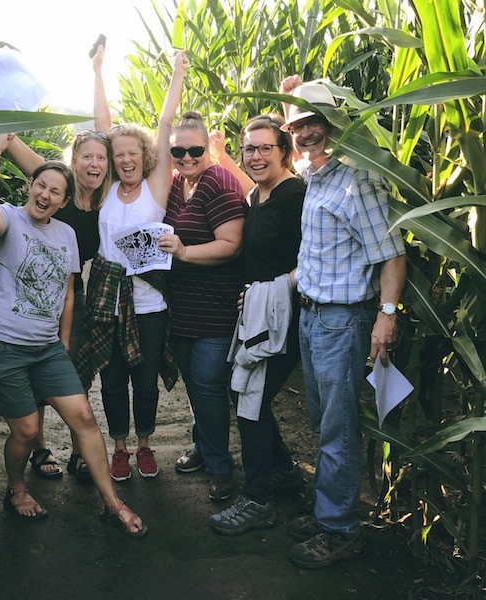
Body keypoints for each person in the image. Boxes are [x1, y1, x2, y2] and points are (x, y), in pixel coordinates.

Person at [0, 134, 146, 538]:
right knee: (27, 431)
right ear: (30, 186)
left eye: (55, 191)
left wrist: (63, 340)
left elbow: (68, 291)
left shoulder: (65, 233)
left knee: (83, 415)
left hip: (46, 347)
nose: (45, 194)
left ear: (64, 202)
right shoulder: (7, 218)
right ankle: (16, 488)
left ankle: (111, 502)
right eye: (41, 186)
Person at [278, 77, 407, 568]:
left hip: (342, 321)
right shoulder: (314, 177)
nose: (305, 133)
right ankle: (328, 508)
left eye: (314, 122)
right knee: (320, 419)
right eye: (297, 126)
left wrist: (385, 317)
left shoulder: (357, 181)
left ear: (333, 124)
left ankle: (339, 529)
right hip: (312, 317)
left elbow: (392, 254)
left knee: (337, 427)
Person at [0, 49, 111, 484]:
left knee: (72, 375)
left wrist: (97, 71)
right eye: (85, 157)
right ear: (73, 162)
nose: (93, 164)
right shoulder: (57, 185)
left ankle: (79, 453)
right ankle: (38, 449)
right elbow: (10, 138)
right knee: (32, 376)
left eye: (100, 158)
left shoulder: (106, 198)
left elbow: (105, 130)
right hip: (33, 298)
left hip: (75, 292)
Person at [75, 49, 188, 481]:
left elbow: (163, 125)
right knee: (112, 379)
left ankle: (144, 444)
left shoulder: (155, 188)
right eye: (117, 153)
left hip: (148, 299)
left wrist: (177, 74)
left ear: (144, 156)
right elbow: (102, 123)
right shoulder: (105, 190)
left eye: (131, 153)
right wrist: (99, 70)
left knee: (145, 380)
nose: (124, 160)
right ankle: (118, 447)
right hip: (109, 295)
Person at [206, 113, 306, 534]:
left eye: (267, 147)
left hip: (284, 317)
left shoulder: (296, 195)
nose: (257, 155)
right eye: (250, 148)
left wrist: (273, 289)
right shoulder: (258, 196)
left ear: (285, 151)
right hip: (260, 316)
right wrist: (222, 154)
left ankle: (258, 499)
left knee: (249, 401)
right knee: (244, 393)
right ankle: (282, 470)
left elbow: (316, 256)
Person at [157, 111, 248, 501]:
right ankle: (203, 446)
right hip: (183, 311)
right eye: (178, 150)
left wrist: (185, 252)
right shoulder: (177, 183)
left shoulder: (220, 182)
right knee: (196, 387)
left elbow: (231, 245)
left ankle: (221, 467)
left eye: (195, 149)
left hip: (216, 311)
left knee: (209, 387)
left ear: (208, 147)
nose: (186, 157)